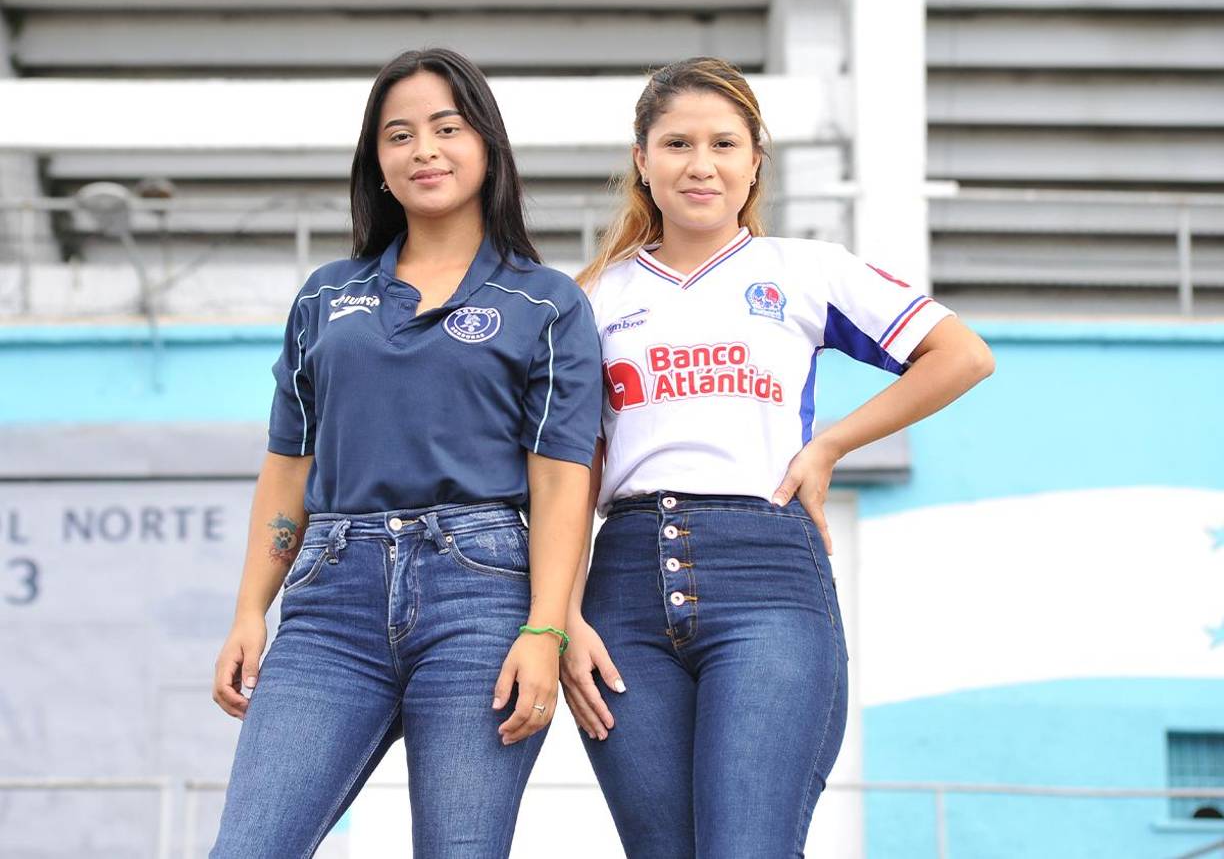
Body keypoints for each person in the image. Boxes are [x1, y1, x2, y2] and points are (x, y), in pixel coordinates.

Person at [561, 57, 995, 858]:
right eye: (678, 143)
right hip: (621, 589)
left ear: (756, 159)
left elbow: (961, 354)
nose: (702, 165)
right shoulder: (591, 298)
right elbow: (576, 465)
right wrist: (564, 611)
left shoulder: (806, 269)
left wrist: (829, 444)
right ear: (642, 159)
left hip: (765, 574)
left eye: (724, 143)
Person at [209, 47, 601, 858]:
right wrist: (251, 608)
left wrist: (546, 630)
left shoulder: (547, 303)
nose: (423, 149)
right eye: (399, 135)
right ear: (377, 164)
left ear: (486, 146)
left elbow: (562, 486)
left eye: (446, 128)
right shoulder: (325, 295)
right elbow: (289, 468)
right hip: (328, 607)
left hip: (481, 601)